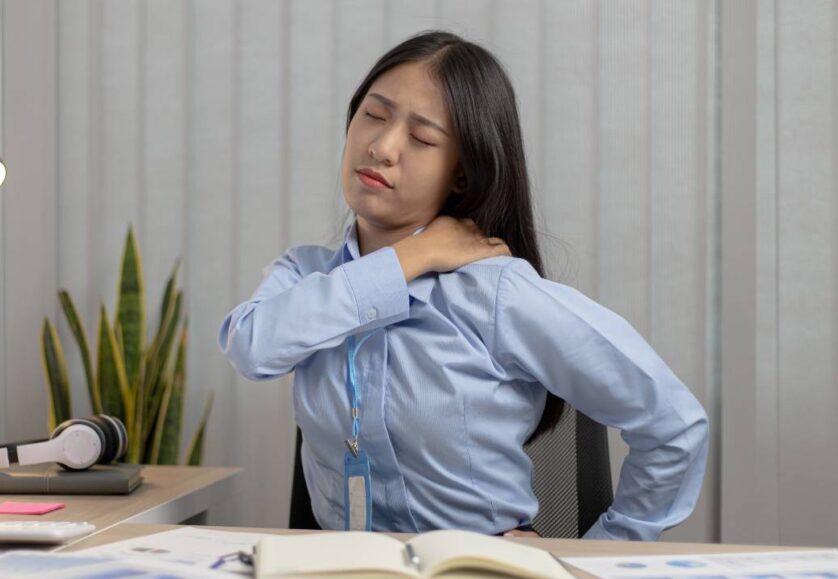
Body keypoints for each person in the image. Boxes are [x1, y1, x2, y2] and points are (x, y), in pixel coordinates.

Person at [218, 31, 708, 541]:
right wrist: (413, 256)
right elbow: (253, 347)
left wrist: (601, 557)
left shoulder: (496, 294)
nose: (382, 147)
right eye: (374, 114)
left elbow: (676, 426)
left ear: (461, 175)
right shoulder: (305, 276)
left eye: (422, 138)